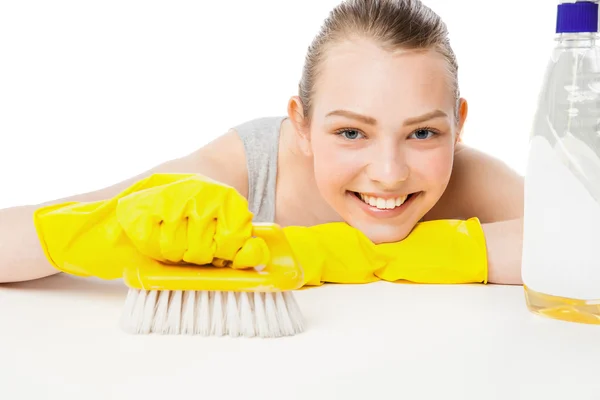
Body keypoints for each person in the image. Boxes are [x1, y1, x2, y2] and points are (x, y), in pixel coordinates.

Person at [0, 0, 523, 285]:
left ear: (458, 125)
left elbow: (585, 242)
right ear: (301, 124)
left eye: (422, 133)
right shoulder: (243, 170)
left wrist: (334, 254)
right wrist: (105, 227)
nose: (388, 172)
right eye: (349, 133)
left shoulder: (469, 176)